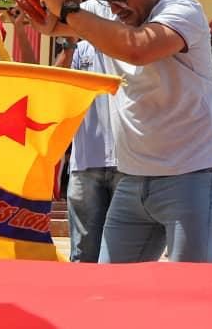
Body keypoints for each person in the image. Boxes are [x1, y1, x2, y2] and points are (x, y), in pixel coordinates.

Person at [24, 0, 212, 263]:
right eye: (108, 0)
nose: (115, 10)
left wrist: (66, 7)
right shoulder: (106, 7)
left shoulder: (183, 10)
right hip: (132, 179)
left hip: (192, 174)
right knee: (112, 290)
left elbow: (137, 48)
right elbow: (54, 23)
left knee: (190, 294)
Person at [54, 33, 120, 263]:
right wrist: (69, 44)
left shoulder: (134, 47)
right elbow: (56, 84)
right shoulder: (80, 50)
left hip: (128, 165)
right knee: (83, 253)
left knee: (121, 252)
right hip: (85, 164)